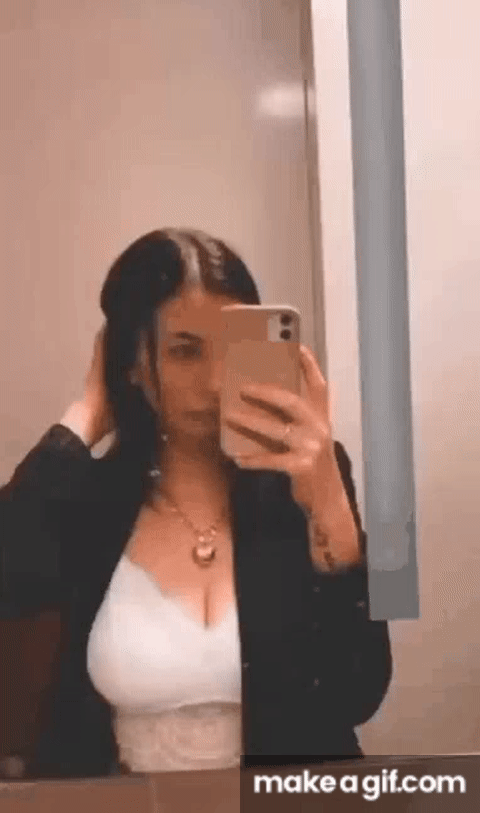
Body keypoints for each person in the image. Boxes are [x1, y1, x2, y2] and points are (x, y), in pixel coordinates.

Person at [0, 228, 392, 778]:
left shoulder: (306, 481)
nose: (213, 382)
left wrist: (330, 508)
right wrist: (83, 418)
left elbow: (359, 692)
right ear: (132, 359)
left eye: (232, 351)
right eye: (185, 351)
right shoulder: (91, 496)